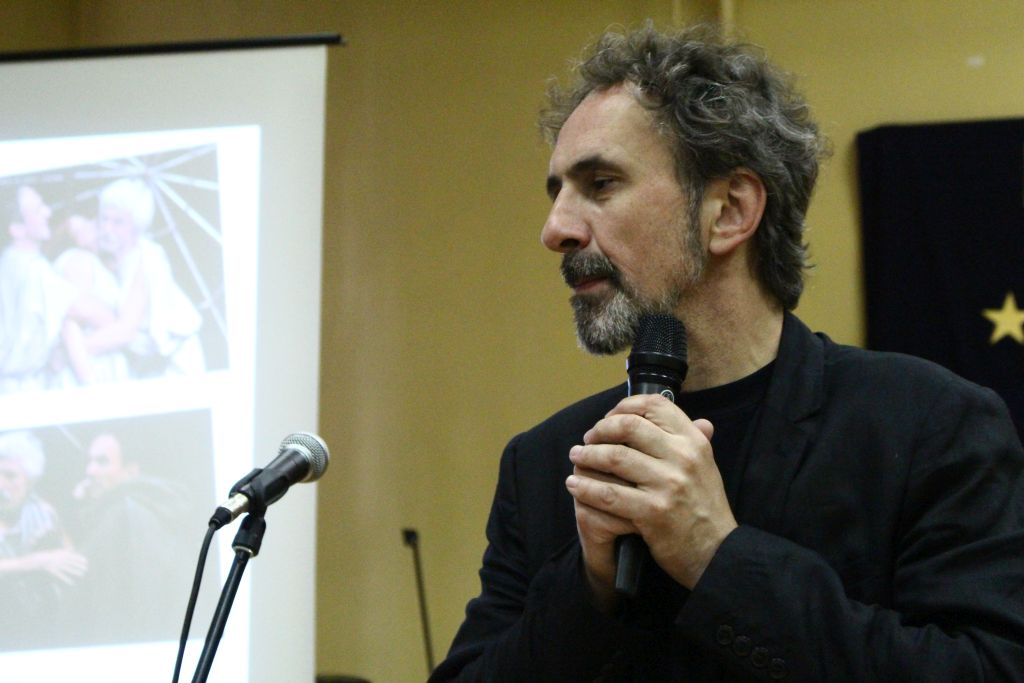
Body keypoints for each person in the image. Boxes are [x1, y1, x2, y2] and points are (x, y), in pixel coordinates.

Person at [431, 25, 1024, 681]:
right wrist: (589, 589)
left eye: (599, 183)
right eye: (557, 194)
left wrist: (718, 558)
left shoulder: (928, 426)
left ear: (730, 211)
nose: (555, 230)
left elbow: (990, 669)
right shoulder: (547, 462)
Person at [68, 432, 191, 643]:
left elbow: (138, 595)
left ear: (131, 471)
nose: (90, 471)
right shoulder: (126, 510)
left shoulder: (127, 514)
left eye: (102, 462)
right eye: (89, 461)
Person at [86, 178, 205, 378]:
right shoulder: (112, 258)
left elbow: (127, 330)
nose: (107, 229)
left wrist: (78, 350)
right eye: (103, 219)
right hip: (146, 364)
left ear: (137, 226)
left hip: (177, 361)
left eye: (117, 222)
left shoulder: (148, 258)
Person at [0, 430, 88, 650]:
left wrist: (54, 547)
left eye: (10, 476)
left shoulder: (43, 513)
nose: (1, 484)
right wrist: (36, 562)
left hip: (34, 630)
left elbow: (70, 560)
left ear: (29, 483)